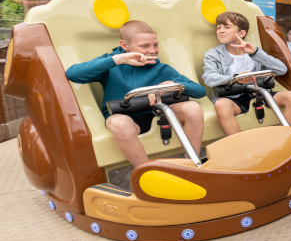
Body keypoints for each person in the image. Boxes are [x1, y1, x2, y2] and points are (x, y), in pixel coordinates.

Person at [65, 20, 206, 168]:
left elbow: (199, 91)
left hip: (157, 115)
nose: (152, 50)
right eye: (145, 46)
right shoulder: (111, 65)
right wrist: (119, 59)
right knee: (118, 123)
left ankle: (191, 163)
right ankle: (147, 172)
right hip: (128, 118)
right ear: (124, 45)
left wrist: (171, 85)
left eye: (155, 45)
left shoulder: (160, 68)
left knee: (193, 108)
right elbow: (73, 74)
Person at [203, 12, 291, 136]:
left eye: (227, 27)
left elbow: (282, 70)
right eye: (218, 27)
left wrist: (256, 52)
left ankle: (283, 139)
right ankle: (241, 146)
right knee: (221, 104)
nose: (220, 31)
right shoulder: (213, 54)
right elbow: (209, 78)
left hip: (258, 93)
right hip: (232, 98)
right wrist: (235, 79)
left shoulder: (254, 52)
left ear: (241, 33)